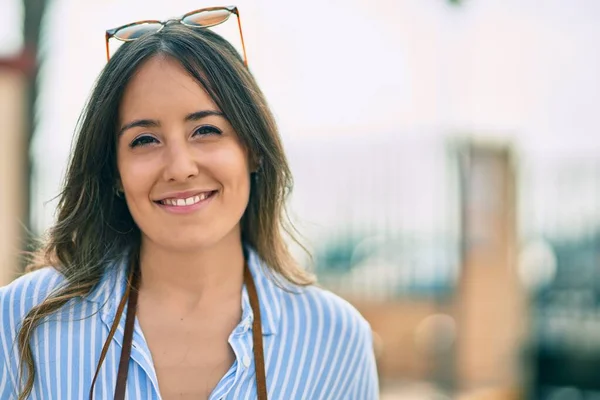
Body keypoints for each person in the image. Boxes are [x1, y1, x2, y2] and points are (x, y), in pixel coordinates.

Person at [0, 6, 378, 400]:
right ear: (114, 171)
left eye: (206, 130)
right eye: (144, 139)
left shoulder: (335, 339)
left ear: (253, 150)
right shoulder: (22, 320)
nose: (180, 168)